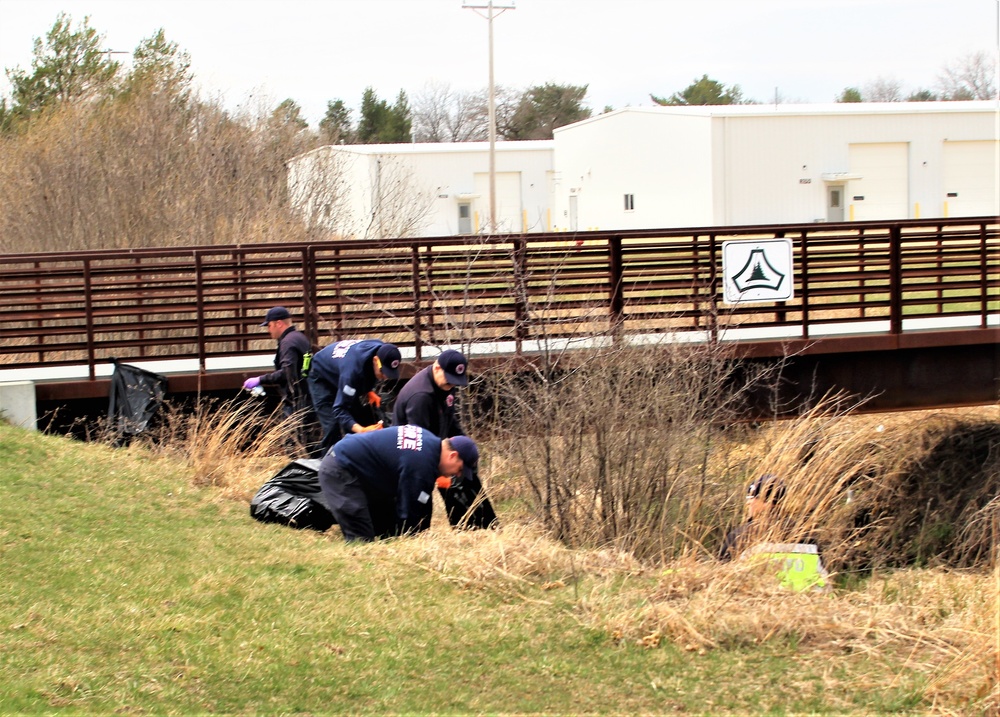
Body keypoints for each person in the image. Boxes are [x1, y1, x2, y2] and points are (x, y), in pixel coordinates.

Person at [318, 424, 479, 542]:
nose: (456, 475)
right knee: (361, 540)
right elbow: (408, 512)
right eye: (459, 469)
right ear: (452, 455)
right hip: (341, 470)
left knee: (386, 529)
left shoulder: (428, 439)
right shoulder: (421, 465)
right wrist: (414, 542)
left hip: (359, 472)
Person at [393, 349, 497, 529]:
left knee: (466, 476)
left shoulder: (445, 385)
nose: (451, 385)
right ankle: (416, 534)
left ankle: (481, 528)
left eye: (455, 382)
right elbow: (418, 442)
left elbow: (450, 421)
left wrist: (467, 450)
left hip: (438, 446)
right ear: (437, 368)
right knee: (423, 501)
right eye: (449, 380)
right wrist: (436, 473)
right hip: (412, 454)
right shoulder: (421, 397)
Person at [308, 338, 402, 454]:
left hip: (341, 370)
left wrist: (368, 391)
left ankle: (356, 457)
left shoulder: (381, 349)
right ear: (375, 360)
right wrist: (361, 430)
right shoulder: (352, 372)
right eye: (383, 372)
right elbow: (340, 409)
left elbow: (367, 372)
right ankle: (327, 463)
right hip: (321, 376)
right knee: (333, 425)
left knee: (358, 416)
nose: (385, 377)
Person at [242, 306, 312, 419]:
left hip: (296, 404)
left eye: (269, 325)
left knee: (293, 436)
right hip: (307, 398)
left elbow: (287, 373)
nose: (268, 330)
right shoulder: (300, 337)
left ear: (278, 323)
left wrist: (260, 379)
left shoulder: (287, 343)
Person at [718, 473, 786, 562]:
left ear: (768, 502)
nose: (748, 503)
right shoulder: (802, 533)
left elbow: (723, 571)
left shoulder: (740, 536)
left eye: (751, 497)